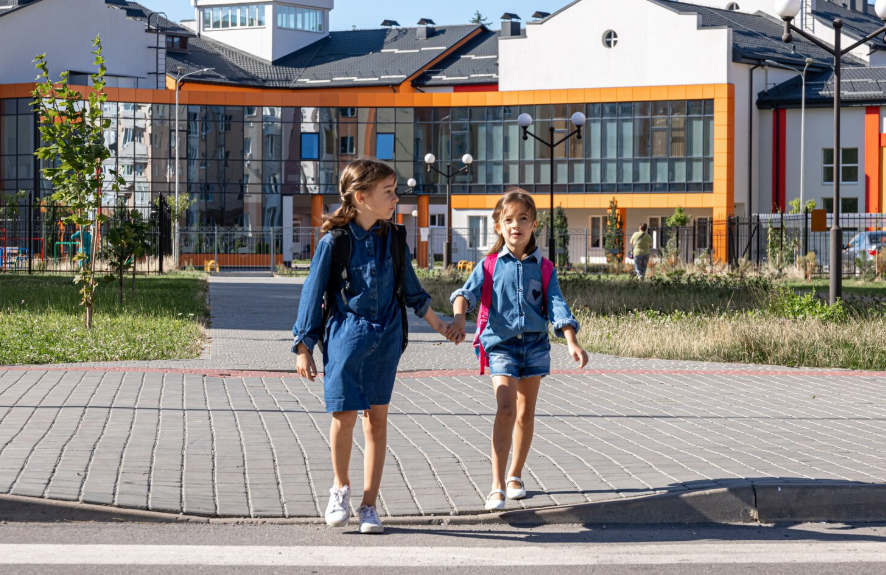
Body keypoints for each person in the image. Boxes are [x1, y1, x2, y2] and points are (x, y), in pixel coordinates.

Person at [292, 159, 454, 533]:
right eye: (389, 191)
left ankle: (369, 505)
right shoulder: (335, 241)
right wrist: (303, 346)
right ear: (362, 197)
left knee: (376, 421)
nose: (396, 198)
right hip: (346, 340)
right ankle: (340, 489)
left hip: (386, 340)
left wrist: (440, 325)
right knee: (343, 417)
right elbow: (312, 293)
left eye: (395, 190)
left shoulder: (395, 239)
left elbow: (412, 291)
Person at [448, 189, 589, 512]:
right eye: (508, 219)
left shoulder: (545, 267)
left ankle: (515, 476)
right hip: (501, 347)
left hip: (536, 346)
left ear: (533, 224)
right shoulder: (488, 265)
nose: (516, 225)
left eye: (523, 219)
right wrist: (458, 317)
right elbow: (464, 294)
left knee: (525, 415)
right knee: (506, 409)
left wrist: (571, 340)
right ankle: (496, 485)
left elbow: (556, 304)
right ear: (498, 226)